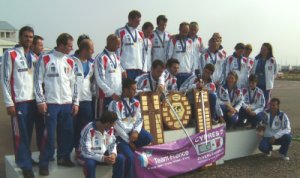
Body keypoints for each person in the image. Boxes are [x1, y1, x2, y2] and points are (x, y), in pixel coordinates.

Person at [34, 33, 79, 175]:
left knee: (66, 133)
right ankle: (44, 162)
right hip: (51, 103)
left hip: (66, 103)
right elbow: (37, 81)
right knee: (49, 136)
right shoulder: (45, 58)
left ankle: (63, 158)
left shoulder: (71, 61)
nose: (72, 48)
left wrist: (75, 102)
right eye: (70, 46)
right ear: (61, 45)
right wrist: (41, 101)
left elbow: (74, 84)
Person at [1, 26, 37, 178]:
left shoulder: (34, 57)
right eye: (25, 36)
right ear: (20, 38)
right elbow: (4, 79)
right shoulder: (10, 54)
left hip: (32, 101)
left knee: (28, 133)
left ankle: (25, 157)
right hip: (19, 101)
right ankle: (25, 165)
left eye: (30, 37)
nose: (28, 39)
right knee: (20, 134)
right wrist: (9, 103)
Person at [108, 78, 153, 178]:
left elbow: (139, 119)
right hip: (119, 136)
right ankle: (125, 149)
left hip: (132, 133)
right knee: (130, 157)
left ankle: (128, 148)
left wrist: (136, 131)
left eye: (135, 89)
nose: (135, 92)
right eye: (132, 89)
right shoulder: (115, 104)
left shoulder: (136, 102)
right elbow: (116, 125)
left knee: (149, 138)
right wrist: (129, 142)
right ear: (125, 90)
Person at [80, 111, 126, 178]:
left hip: (105, 154)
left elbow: (112, 143)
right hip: (91, 156)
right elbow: (85, 151)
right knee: (90, 164)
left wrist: (112, 154)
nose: (114, 125)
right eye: (113, 123)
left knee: (120, 158)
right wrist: (102, 158)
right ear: (107, 123)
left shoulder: (110, 128)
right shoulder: (88, 129)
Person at [72, 38, 95, 160]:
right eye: (91, 49)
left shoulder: (92, 63)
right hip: (72, 100)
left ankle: (83, 149)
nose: (93, 51)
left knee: (85, 126)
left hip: (87, 99)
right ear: (85, 50)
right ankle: (74, 150)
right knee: (72, 127)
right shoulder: (71, 61)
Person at [94, 34, 124, 118]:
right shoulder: (101, 57)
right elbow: (99, 79)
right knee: (102, 121)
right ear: (110, 43)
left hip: (117, 95)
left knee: (114, 122)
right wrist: (111, 93)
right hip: (105, 96)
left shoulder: (116, 57)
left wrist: (119, 92)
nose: (118, 46)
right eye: (117, 44)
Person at [115, 10, 144, 79]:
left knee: (138, 90)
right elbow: (116, 52)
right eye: (137, 21)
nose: (139, 23)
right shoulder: (120, 32)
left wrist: (143, 68)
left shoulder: (141, 33)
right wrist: (121, 69)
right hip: (126, 68)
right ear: (130, 19)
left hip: (138, 68)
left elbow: (143, 52)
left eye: (139, 21)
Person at [167, 22, 194, 88]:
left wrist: (192, 71)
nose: (184, 34)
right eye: (183, 31)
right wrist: (169, 71)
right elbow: (169, 56)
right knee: (176, 95)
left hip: (187, 73)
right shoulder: (173, 40)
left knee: (186, 95)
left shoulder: (190, 41)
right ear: (179, 30)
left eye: (186, 32)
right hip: (176, 72)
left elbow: (192, 57)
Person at [252, 43, 278, 108]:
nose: (262, 51)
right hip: (256, 84)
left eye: (264, 49)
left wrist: (270, 80)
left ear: (268, 51)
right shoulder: (256, 59)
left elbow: (275, 72)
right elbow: (252, 71)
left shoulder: (272, 60)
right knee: (256, 101)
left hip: (266, 86)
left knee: (265, 102)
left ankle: (264, 116)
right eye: (261, 49)